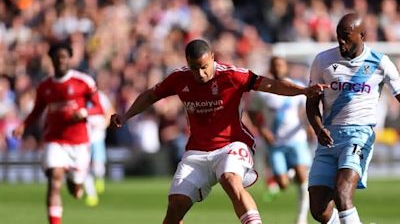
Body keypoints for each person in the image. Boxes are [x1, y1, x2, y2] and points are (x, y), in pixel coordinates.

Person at [110, 39, 327, 224]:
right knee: (175, 206)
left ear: (212, 57)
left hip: (232, 144)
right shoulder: (179, 78)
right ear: (187, 63)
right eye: (195, 68)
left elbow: (270, 85)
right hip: (197, 150)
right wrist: (126, 115)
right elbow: (150, 95)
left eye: (205, 66)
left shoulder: (231, 75)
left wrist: (303, 91)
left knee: (230, 178)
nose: (201, 73)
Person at [306, 13, 400, 224]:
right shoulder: (322, 61)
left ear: (363, 35)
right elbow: (311, 104)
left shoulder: (380, 63)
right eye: (338, 35)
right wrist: (319, 129)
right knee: (318, 208)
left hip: (359, 134)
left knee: (342, 193)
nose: (341, 41)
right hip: (328, 137)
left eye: (346, 36)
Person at [13, 42, 103, 224]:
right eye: (57, 57)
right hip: (54, 139)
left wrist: (85, 113)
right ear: (51, 59)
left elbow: (99, 108)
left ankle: (77, 183)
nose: (60, 60)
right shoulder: (45, 86)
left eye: (64, 56)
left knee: (75, 189)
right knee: (54, 180)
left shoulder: (83, 82)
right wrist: (23, 125)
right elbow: (37, 110)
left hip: (79, 142)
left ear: (69, 58)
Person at [247, 56, 312, 224]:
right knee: (282, 183)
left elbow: (304, 112)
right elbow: (252, 112)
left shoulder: (295, 88)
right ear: (270, 68)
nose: (278, 68)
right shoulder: (263, 92)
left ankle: (301, 218)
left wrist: (309, 127)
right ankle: (289, 174)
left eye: (281, 65)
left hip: (296, 138)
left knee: (302, 177)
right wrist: (262, 130)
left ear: (285, 67)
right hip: (275, 142)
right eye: (274, 65)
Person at [84, 90, 114, 206]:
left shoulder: (101, 96)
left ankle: (99, 178)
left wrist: (103, 125)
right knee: (84, 167)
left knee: (97, 165)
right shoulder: (79, 97)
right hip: (83, 138)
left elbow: (110, 111)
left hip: (97, 137)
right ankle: (91, 195)